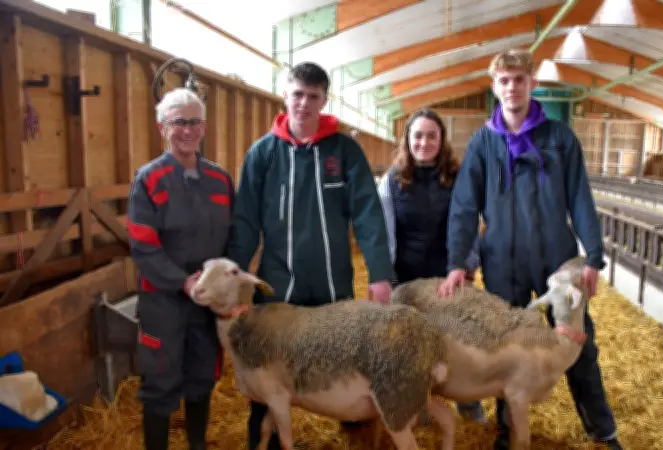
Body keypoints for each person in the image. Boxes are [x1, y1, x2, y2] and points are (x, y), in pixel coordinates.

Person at [437, 49, 624, 450]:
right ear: (494, 87)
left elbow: (580, 197)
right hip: (502, 262)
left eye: (519, 79)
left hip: (557, 260)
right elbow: (465, 206)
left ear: (532, 84)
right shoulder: (483, 143)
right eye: (504, 80)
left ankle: (602, 431)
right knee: (504, 347)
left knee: (579, 342)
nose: (511, 87)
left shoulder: (559, 138)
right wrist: (457, 262)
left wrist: (593, 255)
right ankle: (507, 430)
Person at [225, 61, 395, 450]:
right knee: (267, 369)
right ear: (285, 94)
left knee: (345, 368)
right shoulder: (263, 154)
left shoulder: (345, 150)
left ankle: (355, 437)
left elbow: (368, 214)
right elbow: (246, 219)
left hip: (331, 284)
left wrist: (380, 275)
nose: (304, 103)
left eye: (313, 96)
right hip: (278, 285)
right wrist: (234, 272)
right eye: (297, 93)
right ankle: (264, 443)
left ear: (324, 100)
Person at [127, 88, 235, 450]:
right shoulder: (149, 179)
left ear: (203, 126)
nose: (187, 130)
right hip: (165, 299)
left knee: (202, 375)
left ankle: (197, 445)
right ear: (162, 127)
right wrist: (182, 282)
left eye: (194, 121)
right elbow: (143, 243)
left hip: (208, 301)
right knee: (160, 381)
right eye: (178, 122)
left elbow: (233, 237)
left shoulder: (220, 180)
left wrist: (228, 287)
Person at [376, 107, 487, 423]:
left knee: (463, 343)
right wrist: (386, 277)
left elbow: (469, 223)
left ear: (442, 140)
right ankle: (422, 408)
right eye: (418, 135)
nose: (424, 142)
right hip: (408, 280)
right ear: (408, 140)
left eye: (431, 136)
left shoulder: (457, 179)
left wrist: (467, 264)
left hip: (448, 279)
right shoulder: (392, 182)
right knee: (411, 348)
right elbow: (384, 233)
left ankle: (469, 404)